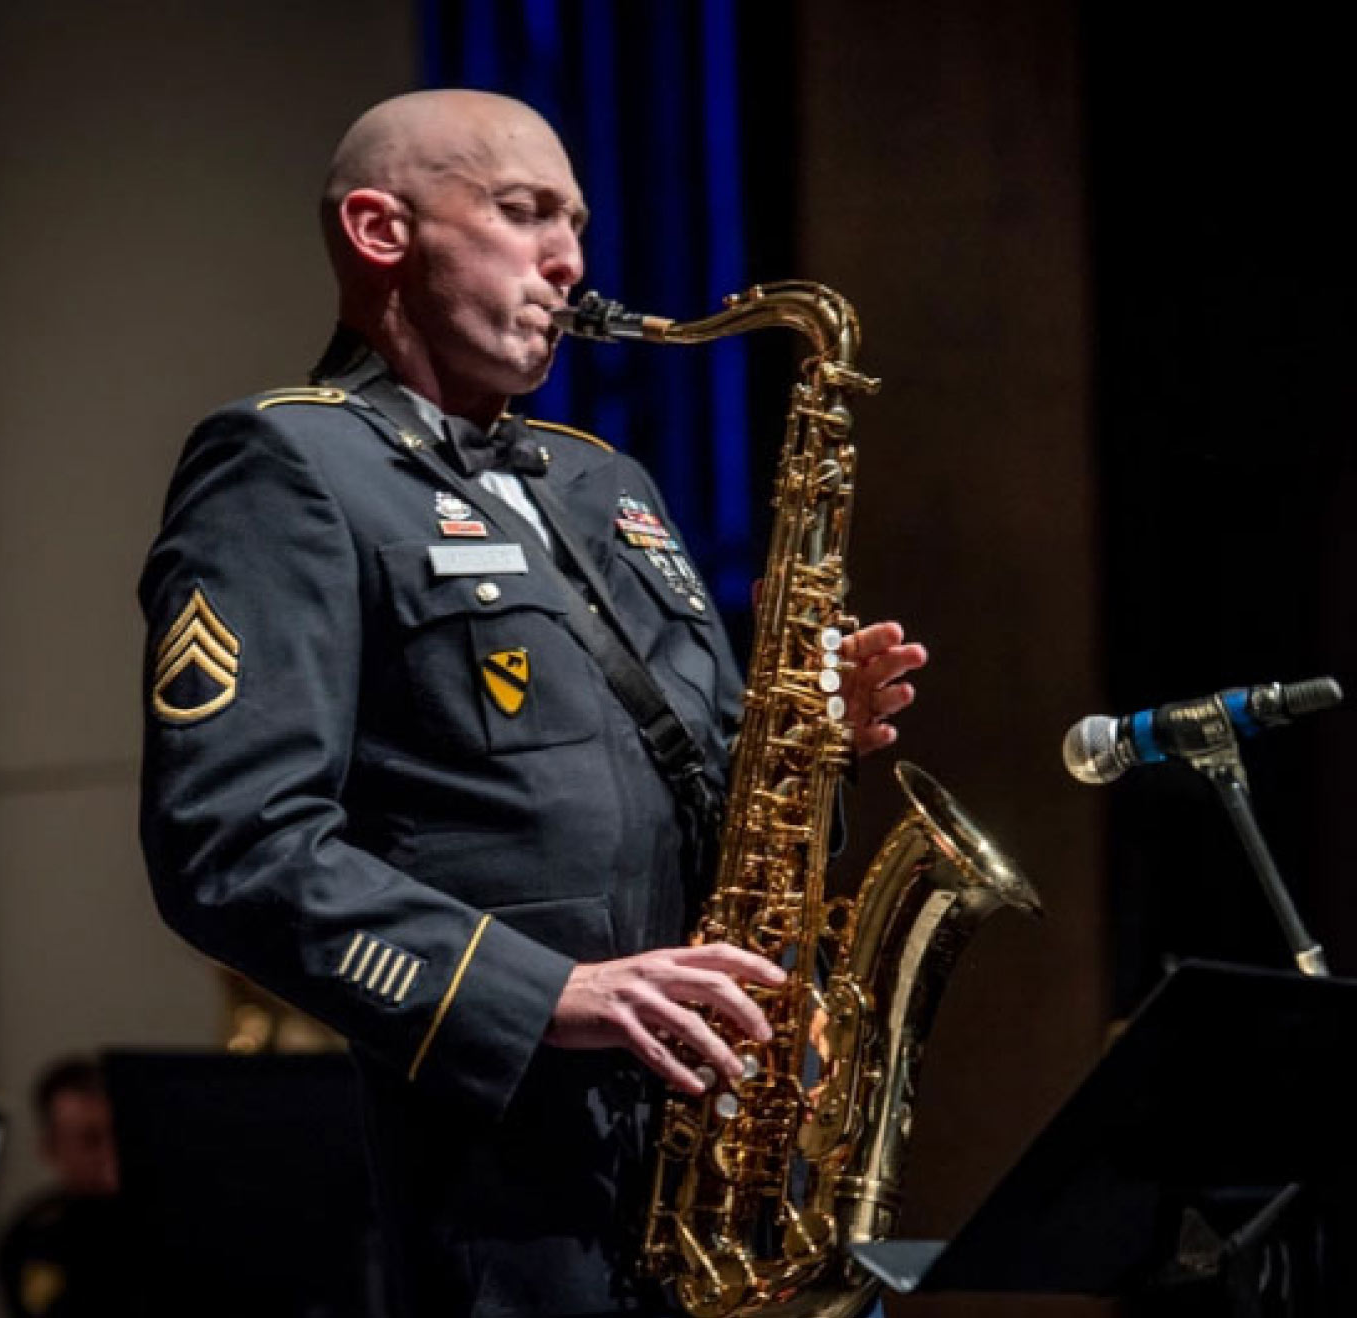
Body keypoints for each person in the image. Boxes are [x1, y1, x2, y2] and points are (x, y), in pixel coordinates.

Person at [138, 89, 926, 1317]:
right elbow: (227, 845)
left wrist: (812, 745)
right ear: (379, 230)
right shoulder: (289, 465)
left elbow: (728, 831)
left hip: (734, 1165)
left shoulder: (602, 478)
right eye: (523, 213)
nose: (568, 257)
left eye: (576, 223)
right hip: (519, 1197)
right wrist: (543, 992)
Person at [0, 1056, 127, 1318]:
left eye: (119, 1135)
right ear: (51, 1149)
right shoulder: (32, 1235)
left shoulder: (165, 1220)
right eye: (90, 1141)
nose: (110, 1153)